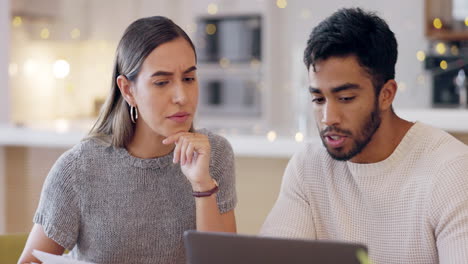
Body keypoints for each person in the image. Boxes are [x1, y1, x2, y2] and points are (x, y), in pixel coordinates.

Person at [18, 16, 237, 264]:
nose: (181, 96)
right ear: (127, 90)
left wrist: (202, 185)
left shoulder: (214, 154)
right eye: (162, 82)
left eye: (188, 79)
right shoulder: (78, 170)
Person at [261, 7, 468, 263]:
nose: (328, 117)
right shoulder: (307, 168)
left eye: (345, 98)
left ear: (386, 94)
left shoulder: (452, 171)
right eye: (317, 98)